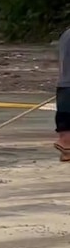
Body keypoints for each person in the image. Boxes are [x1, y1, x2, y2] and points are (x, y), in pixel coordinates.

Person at [55, 25, 70, 161]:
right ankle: (65, 146)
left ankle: (66, 149)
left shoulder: (66, 34)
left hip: (64, 84)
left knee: (65, 122)